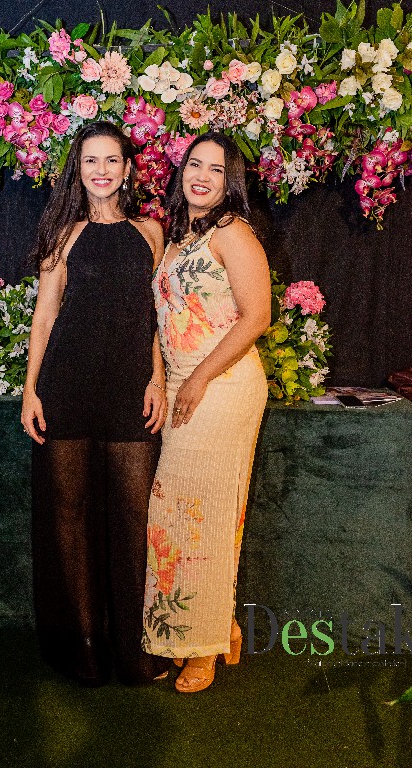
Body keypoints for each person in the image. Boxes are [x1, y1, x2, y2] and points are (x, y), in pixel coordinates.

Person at [21, 121, 170, 686]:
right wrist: (32, 389)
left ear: (128, 168)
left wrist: (157, 379)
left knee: (135, 518)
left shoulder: (151, 232)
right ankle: (84, 644)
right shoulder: (63, 236)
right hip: (67, 386)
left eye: (111, 160)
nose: (101, 170)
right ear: (77, 170)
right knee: (70, 515)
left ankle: (133, 648)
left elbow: (155, 318)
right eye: (90, 161)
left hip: (130, 389)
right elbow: (45, 318)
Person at [142, 131, 271, 692]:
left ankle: (203, 648)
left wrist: (196, 379)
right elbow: (157, 320)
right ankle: (216, 629)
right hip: (180, 382)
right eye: (195, 164)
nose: (202, 176)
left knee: (204, 513)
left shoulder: (232, 233)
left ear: (229, 182)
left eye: (216, 170)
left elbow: (257, 316)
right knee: (178, 512)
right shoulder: (175, 237)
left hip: (223, 382)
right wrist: (160, 378)